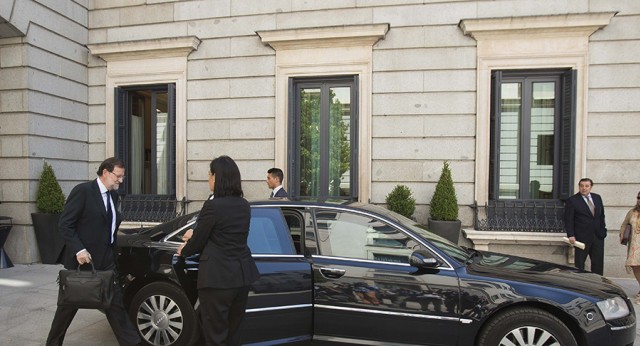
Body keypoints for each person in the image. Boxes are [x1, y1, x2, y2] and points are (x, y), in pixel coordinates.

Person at [46, 157, 141, 346]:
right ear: (105, 172)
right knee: (67, 307)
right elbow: (65, 224)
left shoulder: (113, 196)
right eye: (118, 176)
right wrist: (79, 250)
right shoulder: (83, 191)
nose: (120, 181)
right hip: (83, 261)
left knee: (115, 306)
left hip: (106, 261)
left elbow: (108, 225)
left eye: (122, 177)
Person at [178, 155, 260, 345]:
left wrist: (184, 249)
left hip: (217, 280)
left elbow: (199, 242)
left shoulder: (213, 206)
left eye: (210, 174)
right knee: (234, 332)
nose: (208, 178)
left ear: (217, 177)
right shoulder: (244, 206)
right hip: (241, 277)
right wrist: (197, 235)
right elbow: (225, 235)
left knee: (215, 334)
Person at [564, 178, 607, 275]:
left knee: (598, 263)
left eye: (587, 186)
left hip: (598, 236)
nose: (584, 188)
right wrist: (571, 235)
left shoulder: (597, 198)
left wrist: (603, 230)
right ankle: (580, 284)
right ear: (579, 187)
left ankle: (597, 284)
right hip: (581, 237)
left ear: (591, 187)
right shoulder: (572, 200)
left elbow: (601, 216)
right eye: (581, 186)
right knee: (579, 264)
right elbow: (568, 219)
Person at [620, 191, 640, 303]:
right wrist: (622, 234)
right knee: (635, 266)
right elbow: (624, 224)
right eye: (638, 197)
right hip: (634, 245)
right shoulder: (632, 212)